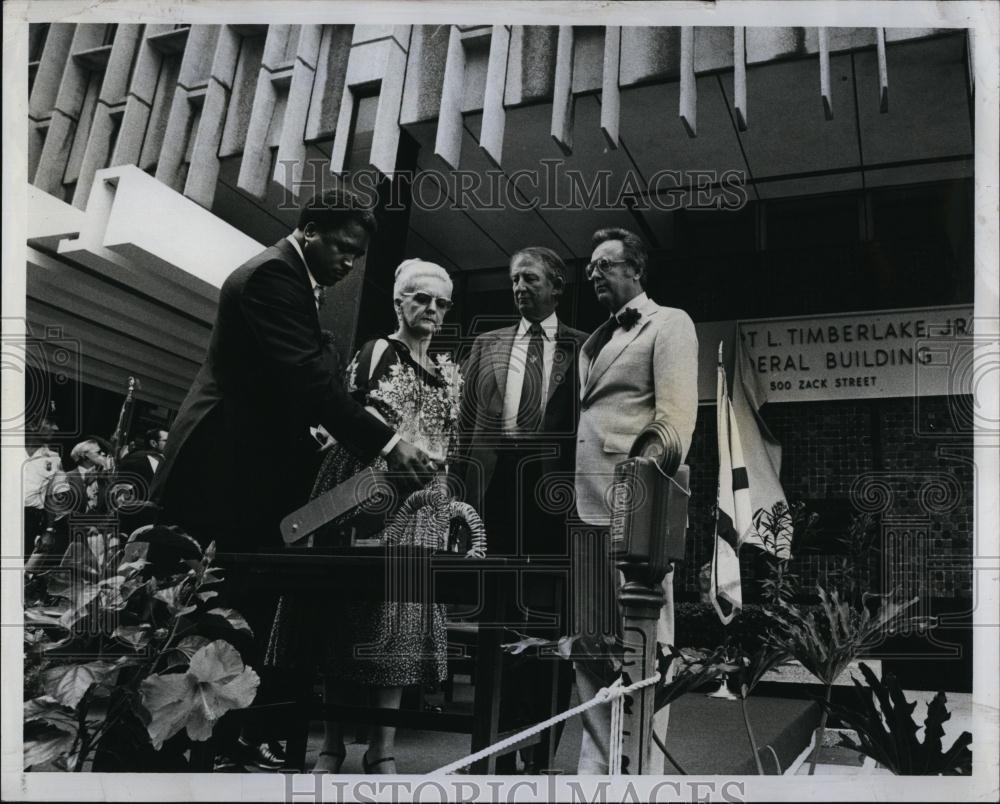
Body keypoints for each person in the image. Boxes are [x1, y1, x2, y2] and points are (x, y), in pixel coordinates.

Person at [151, 189, 438, 772]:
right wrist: (384, 441)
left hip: (248, 468)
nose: (348, 264)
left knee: (242, 608)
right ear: (308, 230)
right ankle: (194, 752)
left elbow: (283, 385)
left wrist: (315, 432)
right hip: (220, 469)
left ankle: (224, 743)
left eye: (357, 257)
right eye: (341, 248)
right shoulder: (270, 278)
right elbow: (306, 378)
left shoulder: (289, 278)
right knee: (217, 611)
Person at [269, 258, 465, 774]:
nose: (432, 310)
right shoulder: (380, 349)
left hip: (423, 506)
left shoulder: (449, 371)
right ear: (399, 302)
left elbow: (452, 441)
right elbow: (354, 416)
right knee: (346, 614)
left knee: (398, 622)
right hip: (365, 489)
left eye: (441, 303)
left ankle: (384, 748)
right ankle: (332, 744)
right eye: (421, 298)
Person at [572, 227, 698, 773]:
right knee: (590, 647)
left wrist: (638, 498)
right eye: (590, 267)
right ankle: (594, 772)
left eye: (604, 264)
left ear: (635, 269)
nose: (592, 274)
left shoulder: (669, 323)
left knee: (645, 646)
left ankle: (641, 773)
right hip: (583, 510)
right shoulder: (592, 341)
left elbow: (674, 423)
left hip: (637, 515)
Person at [457, 246, 585, 772]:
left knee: (550, 623)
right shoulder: (486, 345)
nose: (518, 288)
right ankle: (494, 751)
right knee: (500, 622)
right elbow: (464, 428)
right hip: (496, 490)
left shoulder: (585, 347)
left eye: (529, 279)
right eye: (512, 281)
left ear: (556, 286)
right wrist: (458, 496)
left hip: (554, 495)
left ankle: (539, 752)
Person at [22, 414, 62, 557]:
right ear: (32, 425)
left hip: (29, 522)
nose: (56, 428)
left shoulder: (54, 459)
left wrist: (49, 531)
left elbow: (52, 498)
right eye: (50, 422)